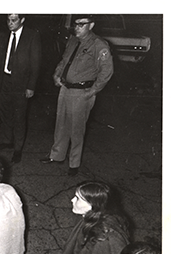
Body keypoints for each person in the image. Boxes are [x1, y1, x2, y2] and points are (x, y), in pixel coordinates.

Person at [40, 15, 113, 176]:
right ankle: (57, 155)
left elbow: (106, 71)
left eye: (82, 24)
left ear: (91, 25)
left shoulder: (98, 45)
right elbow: (64, 60)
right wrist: (57, 74)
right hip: (65, 89)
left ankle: (74, 163)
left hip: (82, 92)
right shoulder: (73, 41)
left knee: (76, 129)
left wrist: (93, 91)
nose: (77, 27)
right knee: (61, 124)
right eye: (76, 24)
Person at [58, 181, 130, 254]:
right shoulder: (90, 219)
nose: (72, 200)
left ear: (93, 205)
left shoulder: (106, 238)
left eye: (78, 198)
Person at [0, 14, 41, 164]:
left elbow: (36, 63)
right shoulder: (4, 35)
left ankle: (18, 148)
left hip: (21, 83)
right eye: (8, 20)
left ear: (23, 19)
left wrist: (30, 86)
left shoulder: (32, 36)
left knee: (19, 116)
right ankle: (8, 140)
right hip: (5, 80)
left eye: (14, 20)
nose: (10, 23)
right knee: (4, 111)